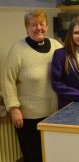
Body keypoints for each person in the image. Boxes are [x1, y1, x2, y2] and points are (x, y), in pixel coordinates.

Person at [0, 9, 62, 162]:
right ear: (27, 27)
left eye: (41, 24)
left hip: (54, 114)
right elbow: (7, 80)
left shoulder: (56, 46)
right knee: (33, 157)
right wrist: (13, 108)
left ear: (47, 26)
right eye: (33, 25)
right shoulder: (17, 49)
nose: (38, 28)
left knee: (53, 156)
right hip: (28, 117)